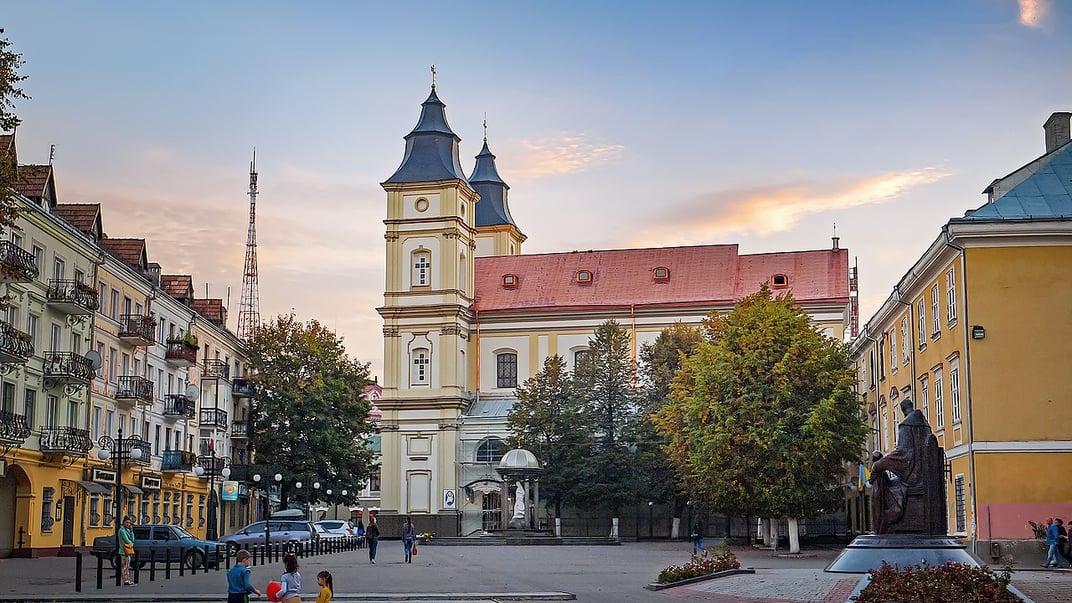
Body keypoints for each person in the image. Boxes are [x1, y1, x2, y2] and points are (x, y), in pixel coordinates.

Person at [118, 516, 136, 586]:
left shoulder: (128, 530)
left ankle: (128, 579)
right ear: (123, 523)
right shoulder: (122, 531)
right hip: (123, 551)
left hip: (128, 550)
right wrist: (131, 543)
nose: (128, 524)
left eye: (129, 523)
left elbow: (132, 539)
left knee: (127, 566)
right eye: (127, 522)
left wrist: (131, 532)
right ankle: (125, 580)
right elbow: (127, 540)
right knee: (124, 566)